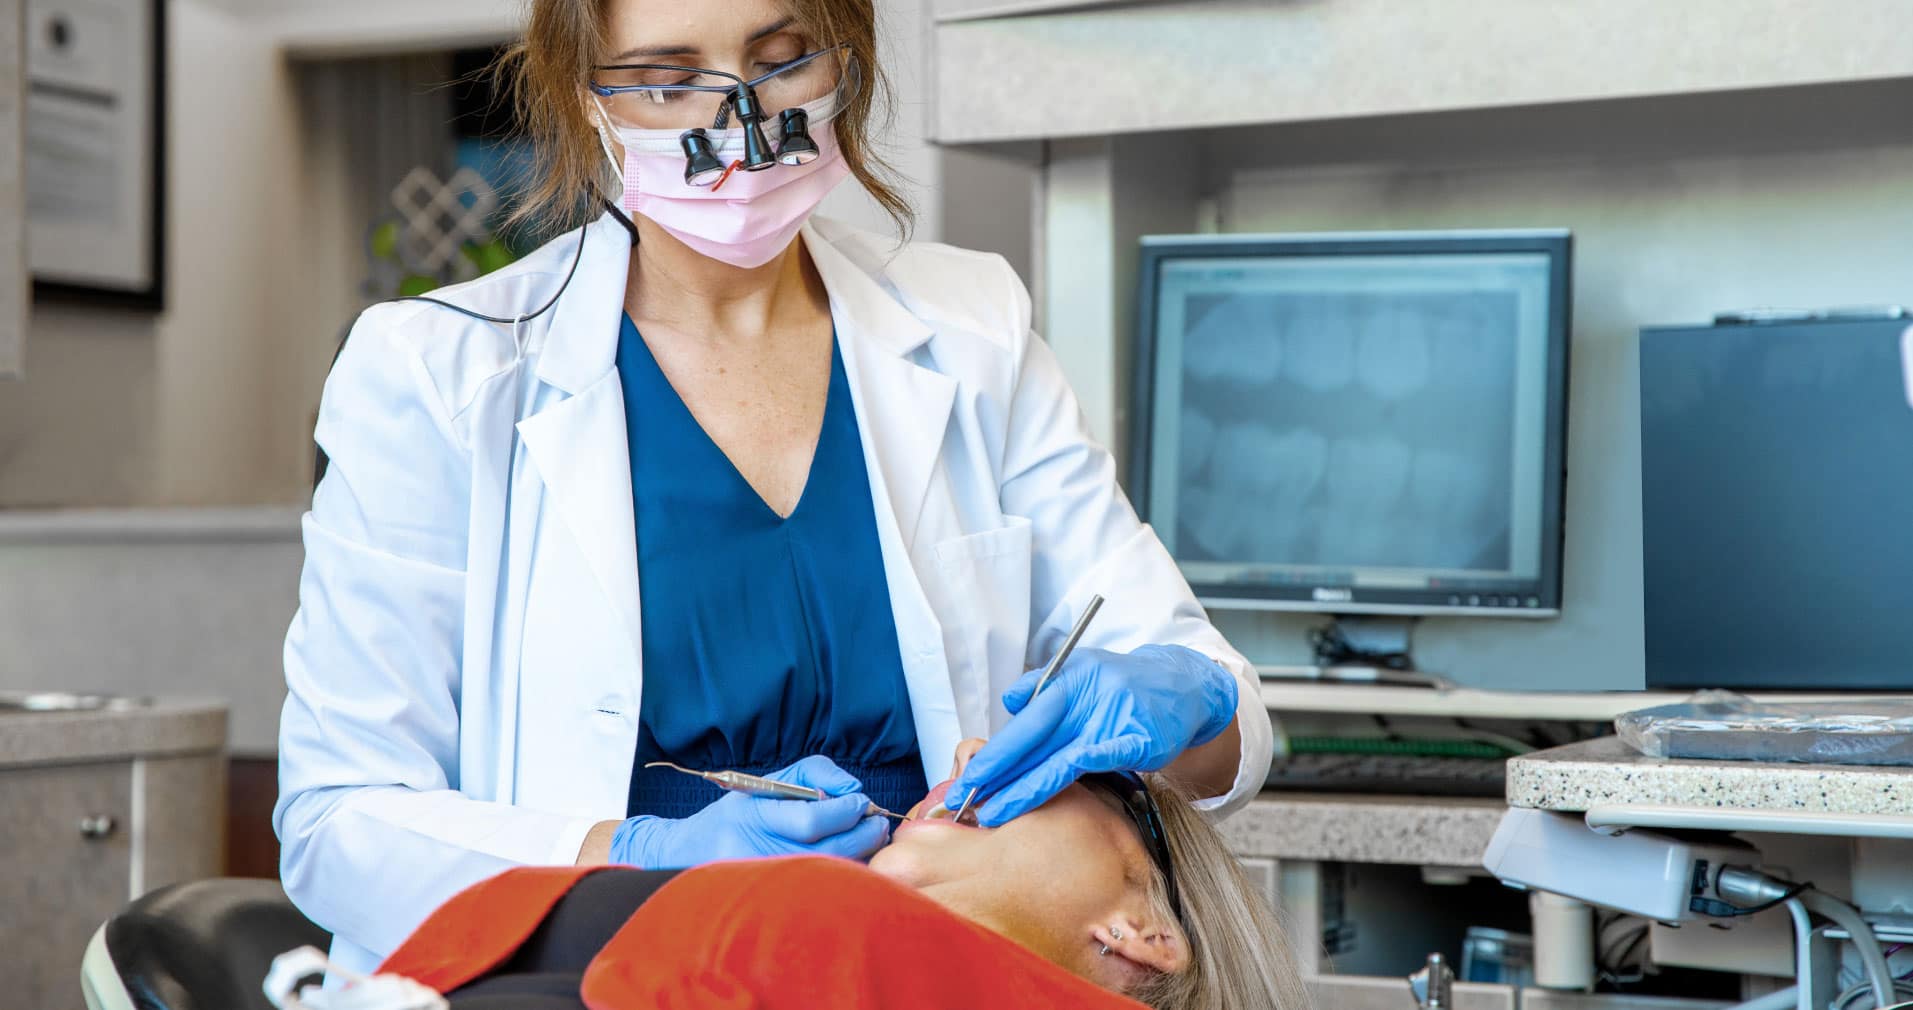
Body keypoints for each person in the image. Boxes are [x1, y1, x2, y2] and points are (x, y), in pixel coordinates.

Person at [275, 0, 1274, 979]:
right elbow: (338, 820)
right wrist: (633, 853)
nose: (737, 122)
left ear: (843, 53)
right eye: (667, 80)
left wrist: (1184, 699)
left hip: (922, 973)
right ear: (588, 99)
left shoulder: (970, 330)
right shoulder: (437, 373)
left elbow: (1206, 694)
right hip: (598, 969)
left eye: (780, 59)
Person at [368, 741, 1309, 1010]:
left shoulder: (823, 922)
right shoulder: (840, 940)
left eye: (1069, 771)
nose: (980, 749)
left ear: (1144, 933)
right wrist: (633, 856)